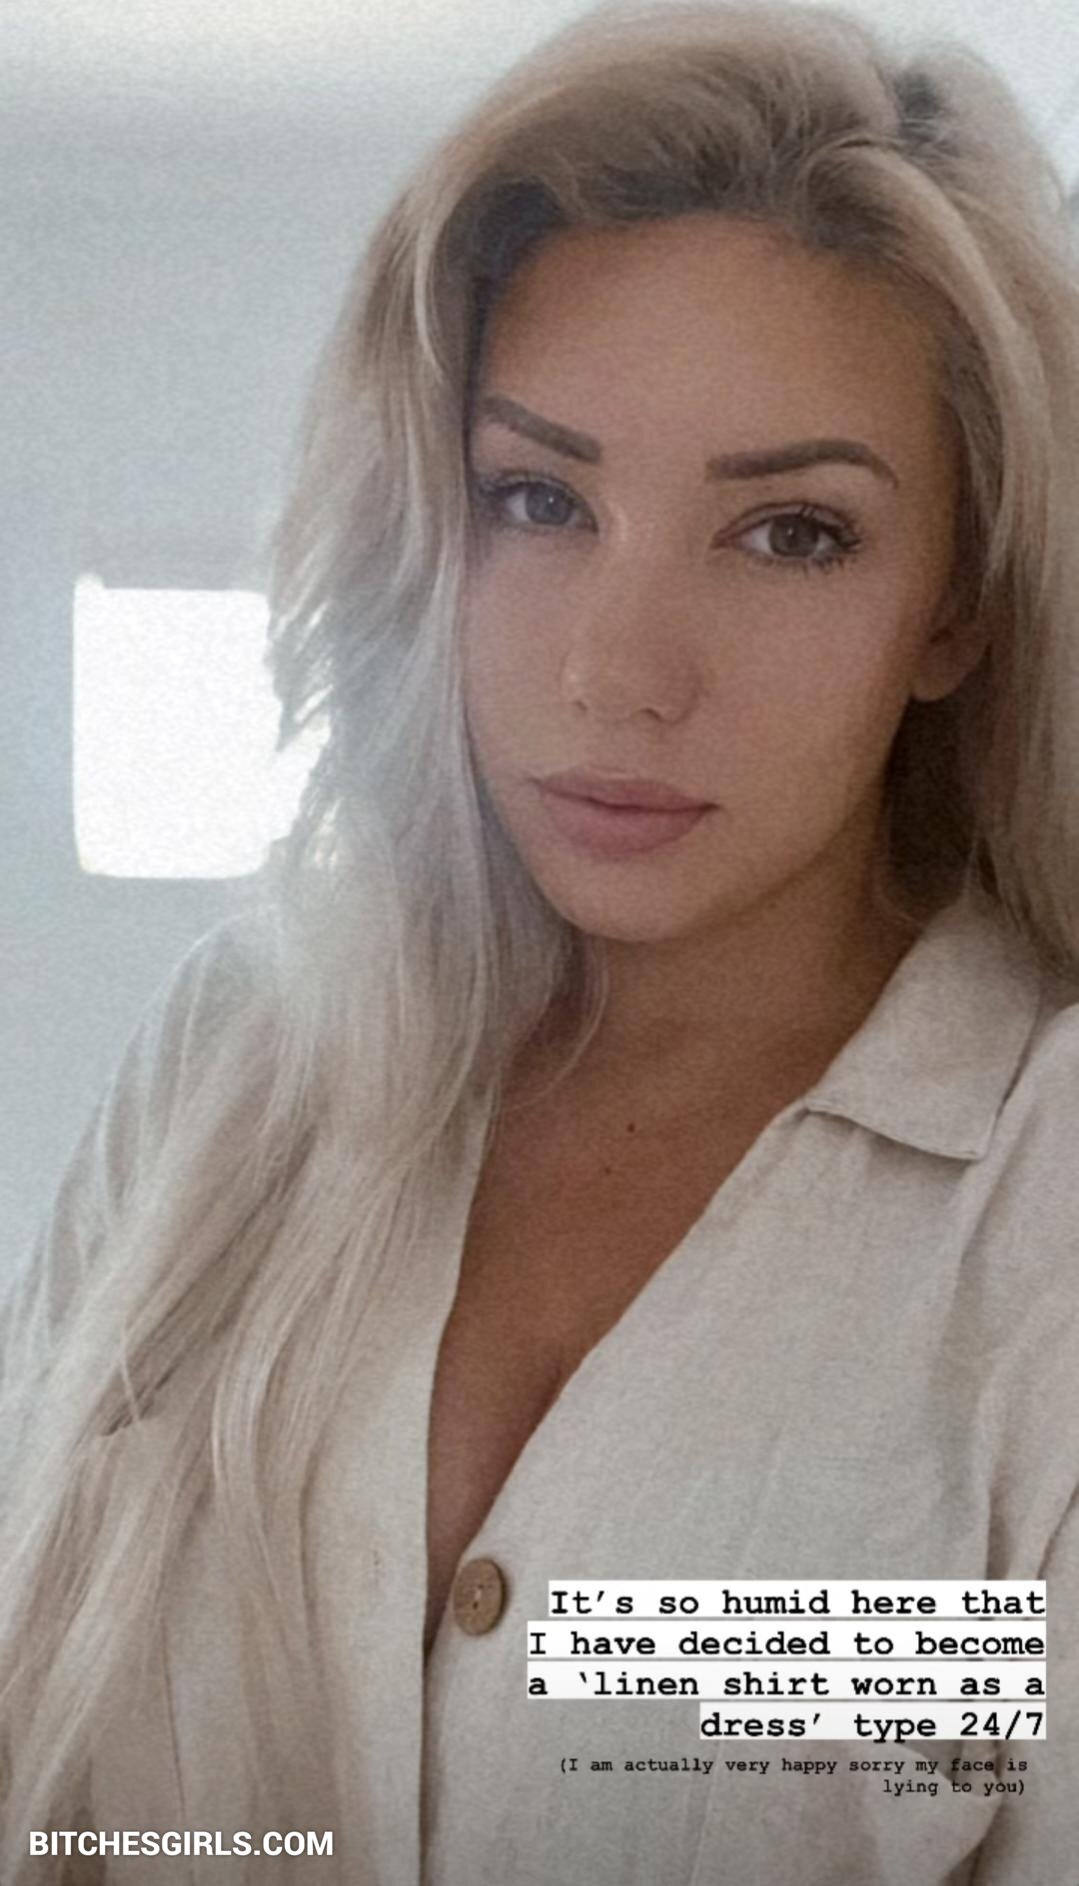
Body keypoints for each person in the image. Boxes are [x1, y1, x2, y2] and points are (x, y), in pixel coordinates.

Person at [3, 1, 1079, 1879]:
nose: (617, 674)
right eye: (540, 498)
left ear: (955, 607)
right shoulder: (237, 1057)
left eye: (793, 533)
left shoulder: (1042, 1197)